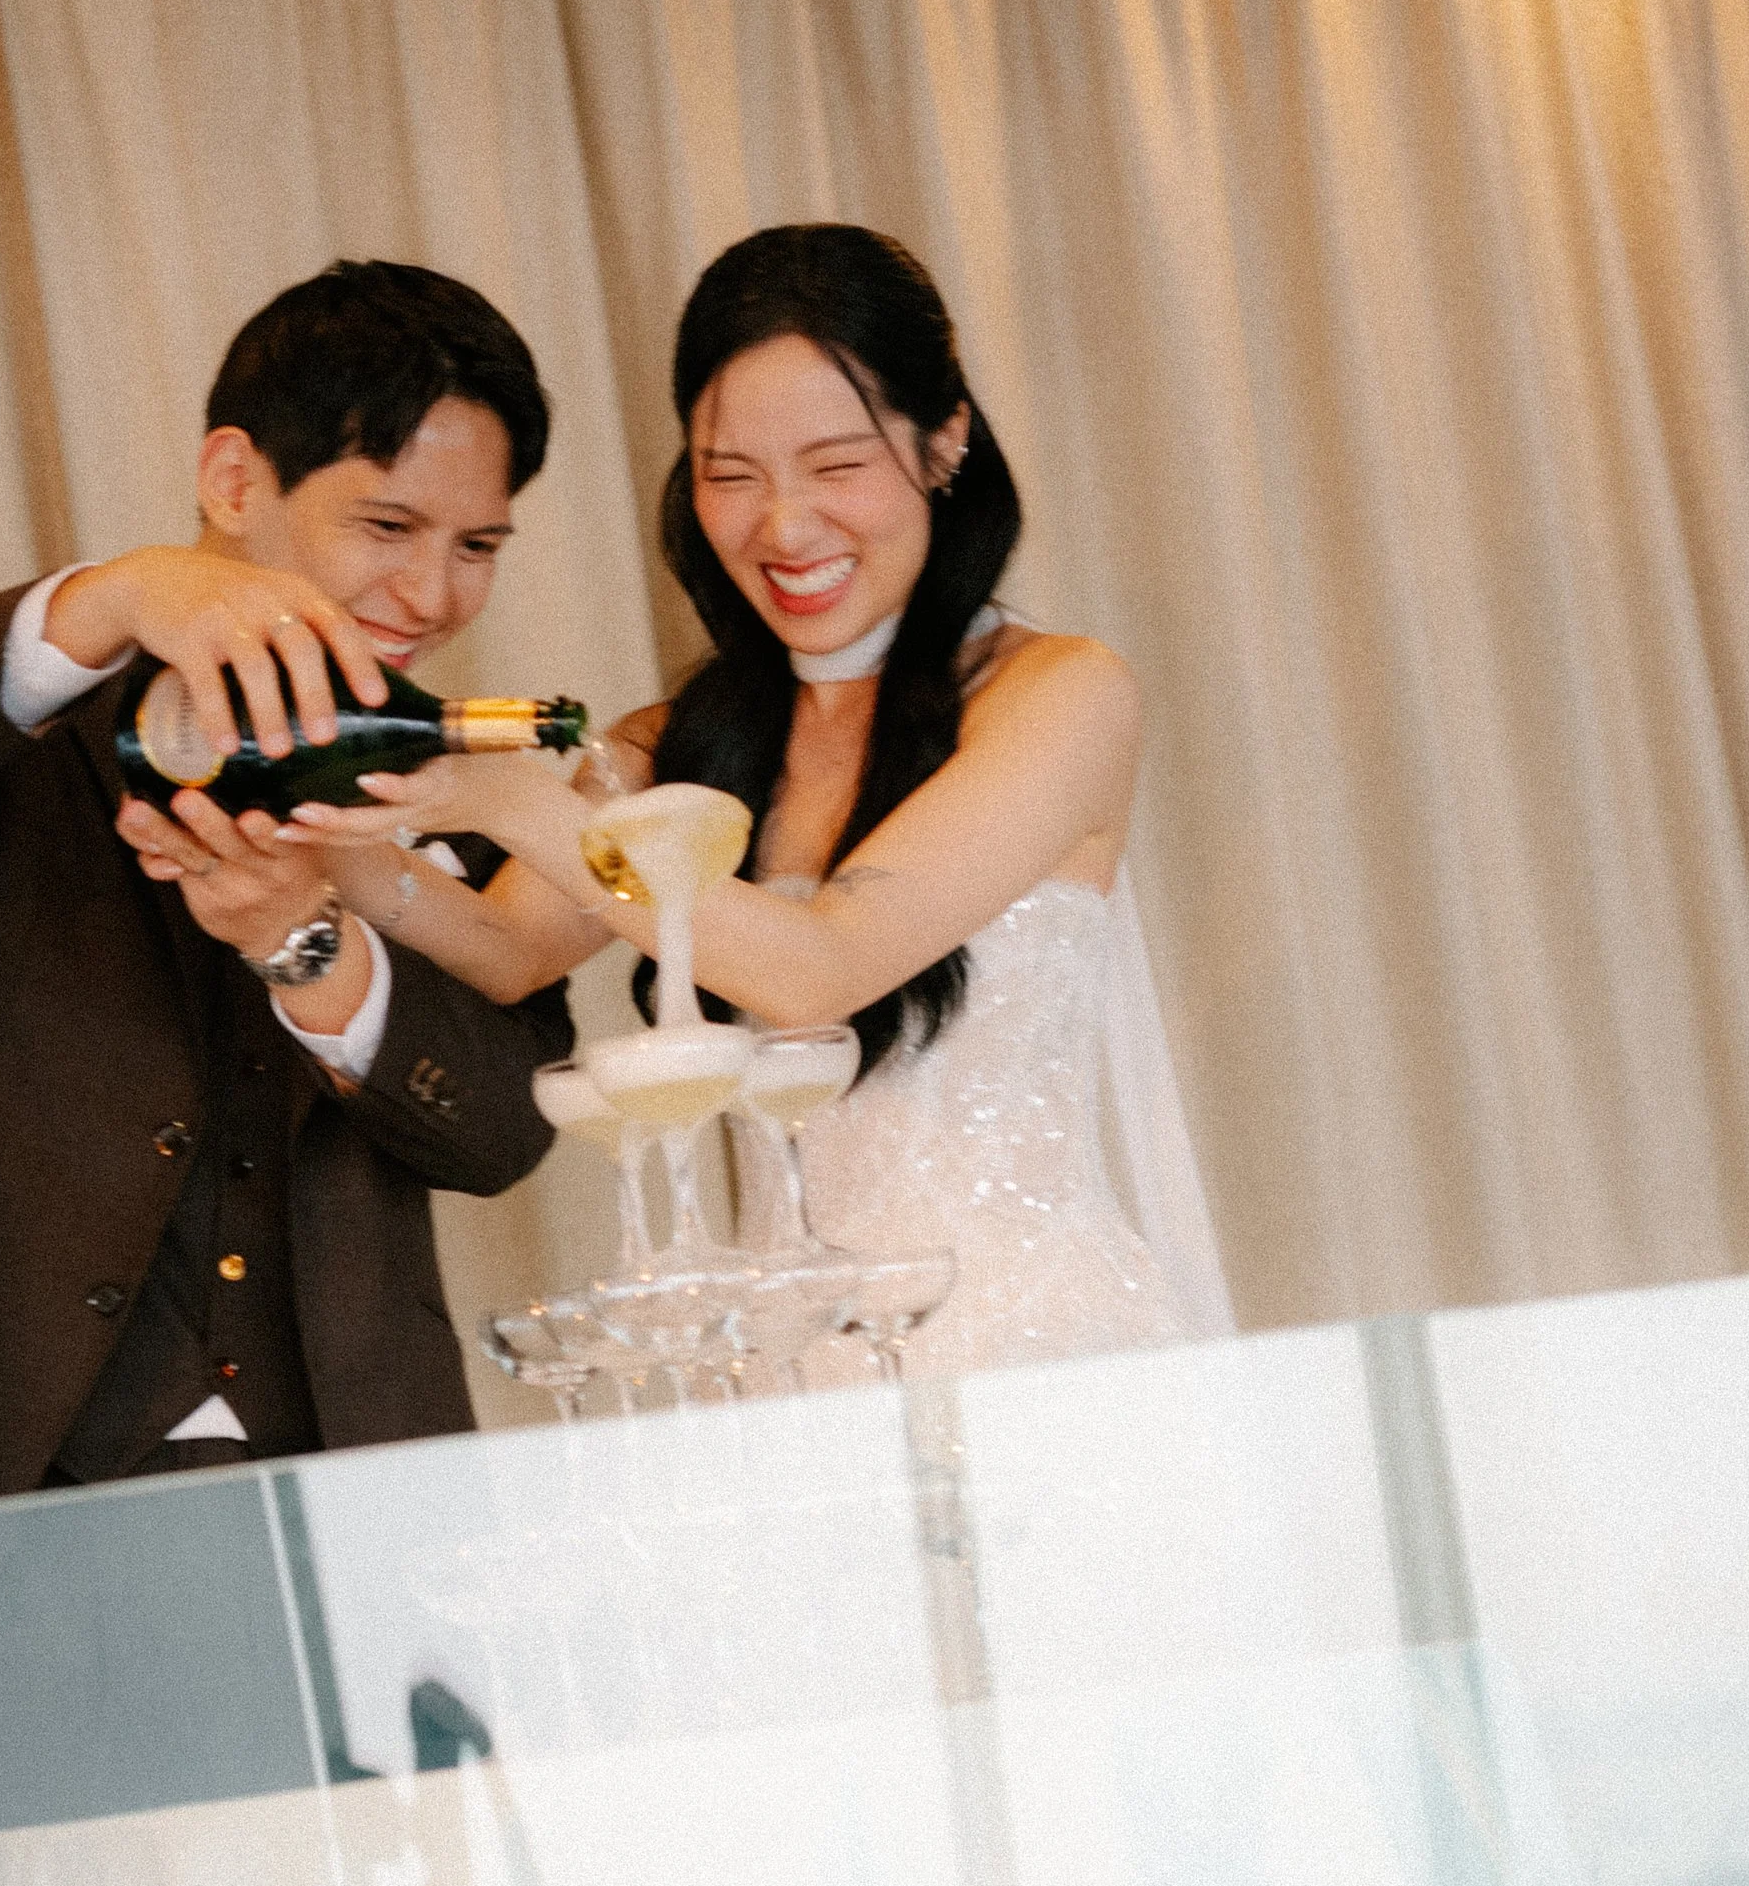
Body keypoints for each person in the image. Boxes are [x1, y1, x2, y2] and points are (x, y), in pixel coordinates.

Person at [262, 223, 1231, 1376]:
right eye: (732, 475)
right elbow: (502, 945)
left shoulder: (1059, 693)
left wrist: (508, 797)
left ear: (943, 443)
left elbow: (817, 969)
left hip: (1041, 1349)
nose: (782, 525)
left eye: (836, 466)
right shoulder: (677, 742)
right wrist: (325, 823)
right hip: (790, 1355)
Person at [0, 259, 575, 1537]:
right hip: (0, 1479)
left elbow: (505, 1132)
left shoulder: (447, 787)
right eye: (389, 527)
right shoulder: (15, 726)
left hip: (358, 1492)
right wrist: (123, 593)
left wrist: (310, 951)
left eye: (478, 547)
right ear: (235, 481)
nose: (433, 594)